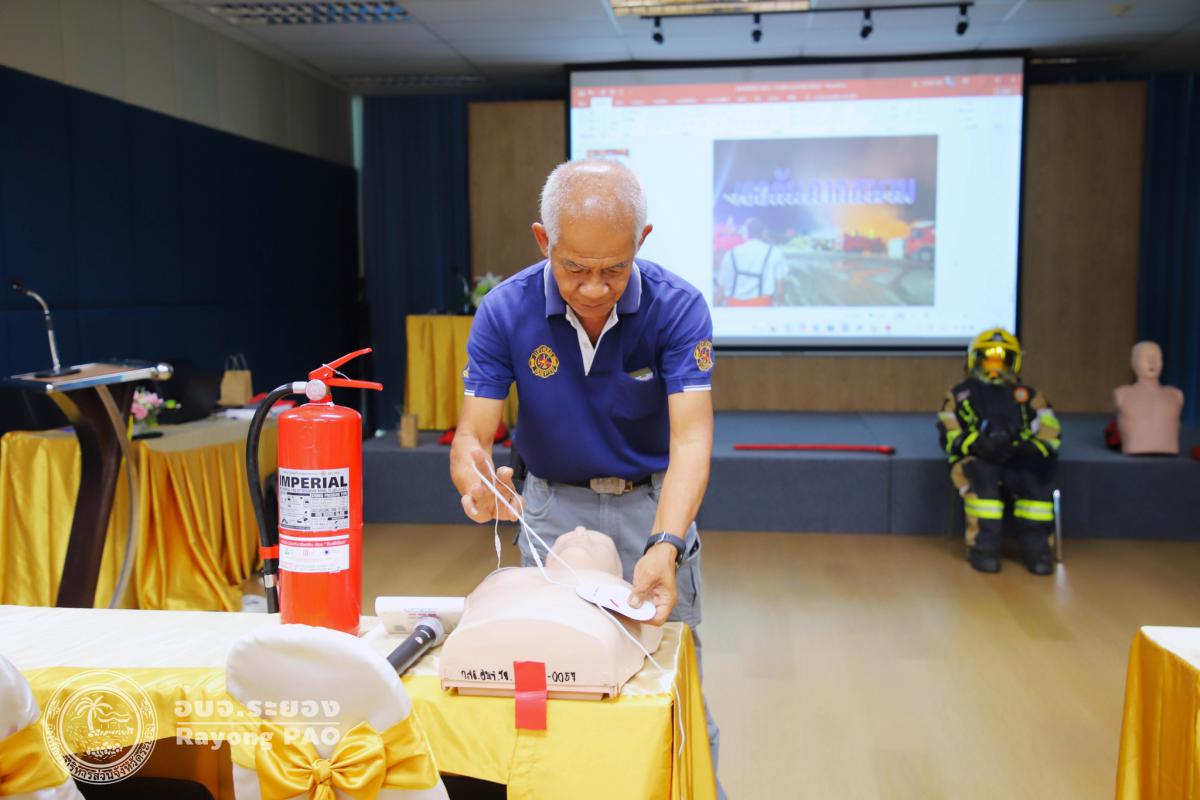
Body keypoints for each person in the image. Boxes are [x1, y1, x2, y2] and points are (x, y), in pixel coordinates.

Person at [449, 158, 724, 796]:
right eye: (575, 268)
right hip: (551, 517)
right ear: (543, 240)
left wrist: (666, 543)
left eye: (614, 269)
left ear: (641, 241)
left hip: (651, 511)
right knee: (551, 686)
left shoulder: (677, 306)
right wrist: (476, 481)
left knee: (670, 692)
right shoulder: (506, 310)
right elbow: (471, 436)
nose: (596, 288)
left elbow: (691, 437)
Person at [936, 328, 1062, 575]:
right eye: (989, 359)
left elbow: (1051, 431)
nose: (995, 366)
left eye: (1002, 360)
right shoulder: (960, 395)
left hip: (1022, 457)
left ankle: (1038, 551)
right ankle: (983, 549)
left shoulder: (1031, 397)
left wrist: (1028, 447)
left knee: (1036, 480)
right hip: (980, 457)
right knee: (983, 485)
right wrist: (977, 444)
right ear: (975, 361)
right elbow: (949, 432)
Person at [1114, 341, 1184, 455]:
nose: (1152, 362)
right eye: (1146, 357)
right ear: (1134, 362)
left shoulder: (1176, 395)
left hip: (1170, 451)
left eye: (1157, 357)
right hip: (1134, 450)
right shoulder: (1122, 394)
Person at [714, 217, 787, 306]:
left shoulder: (730, 254)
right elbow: (780, 287)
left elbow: (721, 287)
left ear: (746, 233)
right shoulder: (774, 252)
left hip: (734, 308)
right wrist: (782, 306)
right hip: (763, 307)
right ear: (763, 233)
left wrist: (714, 308)